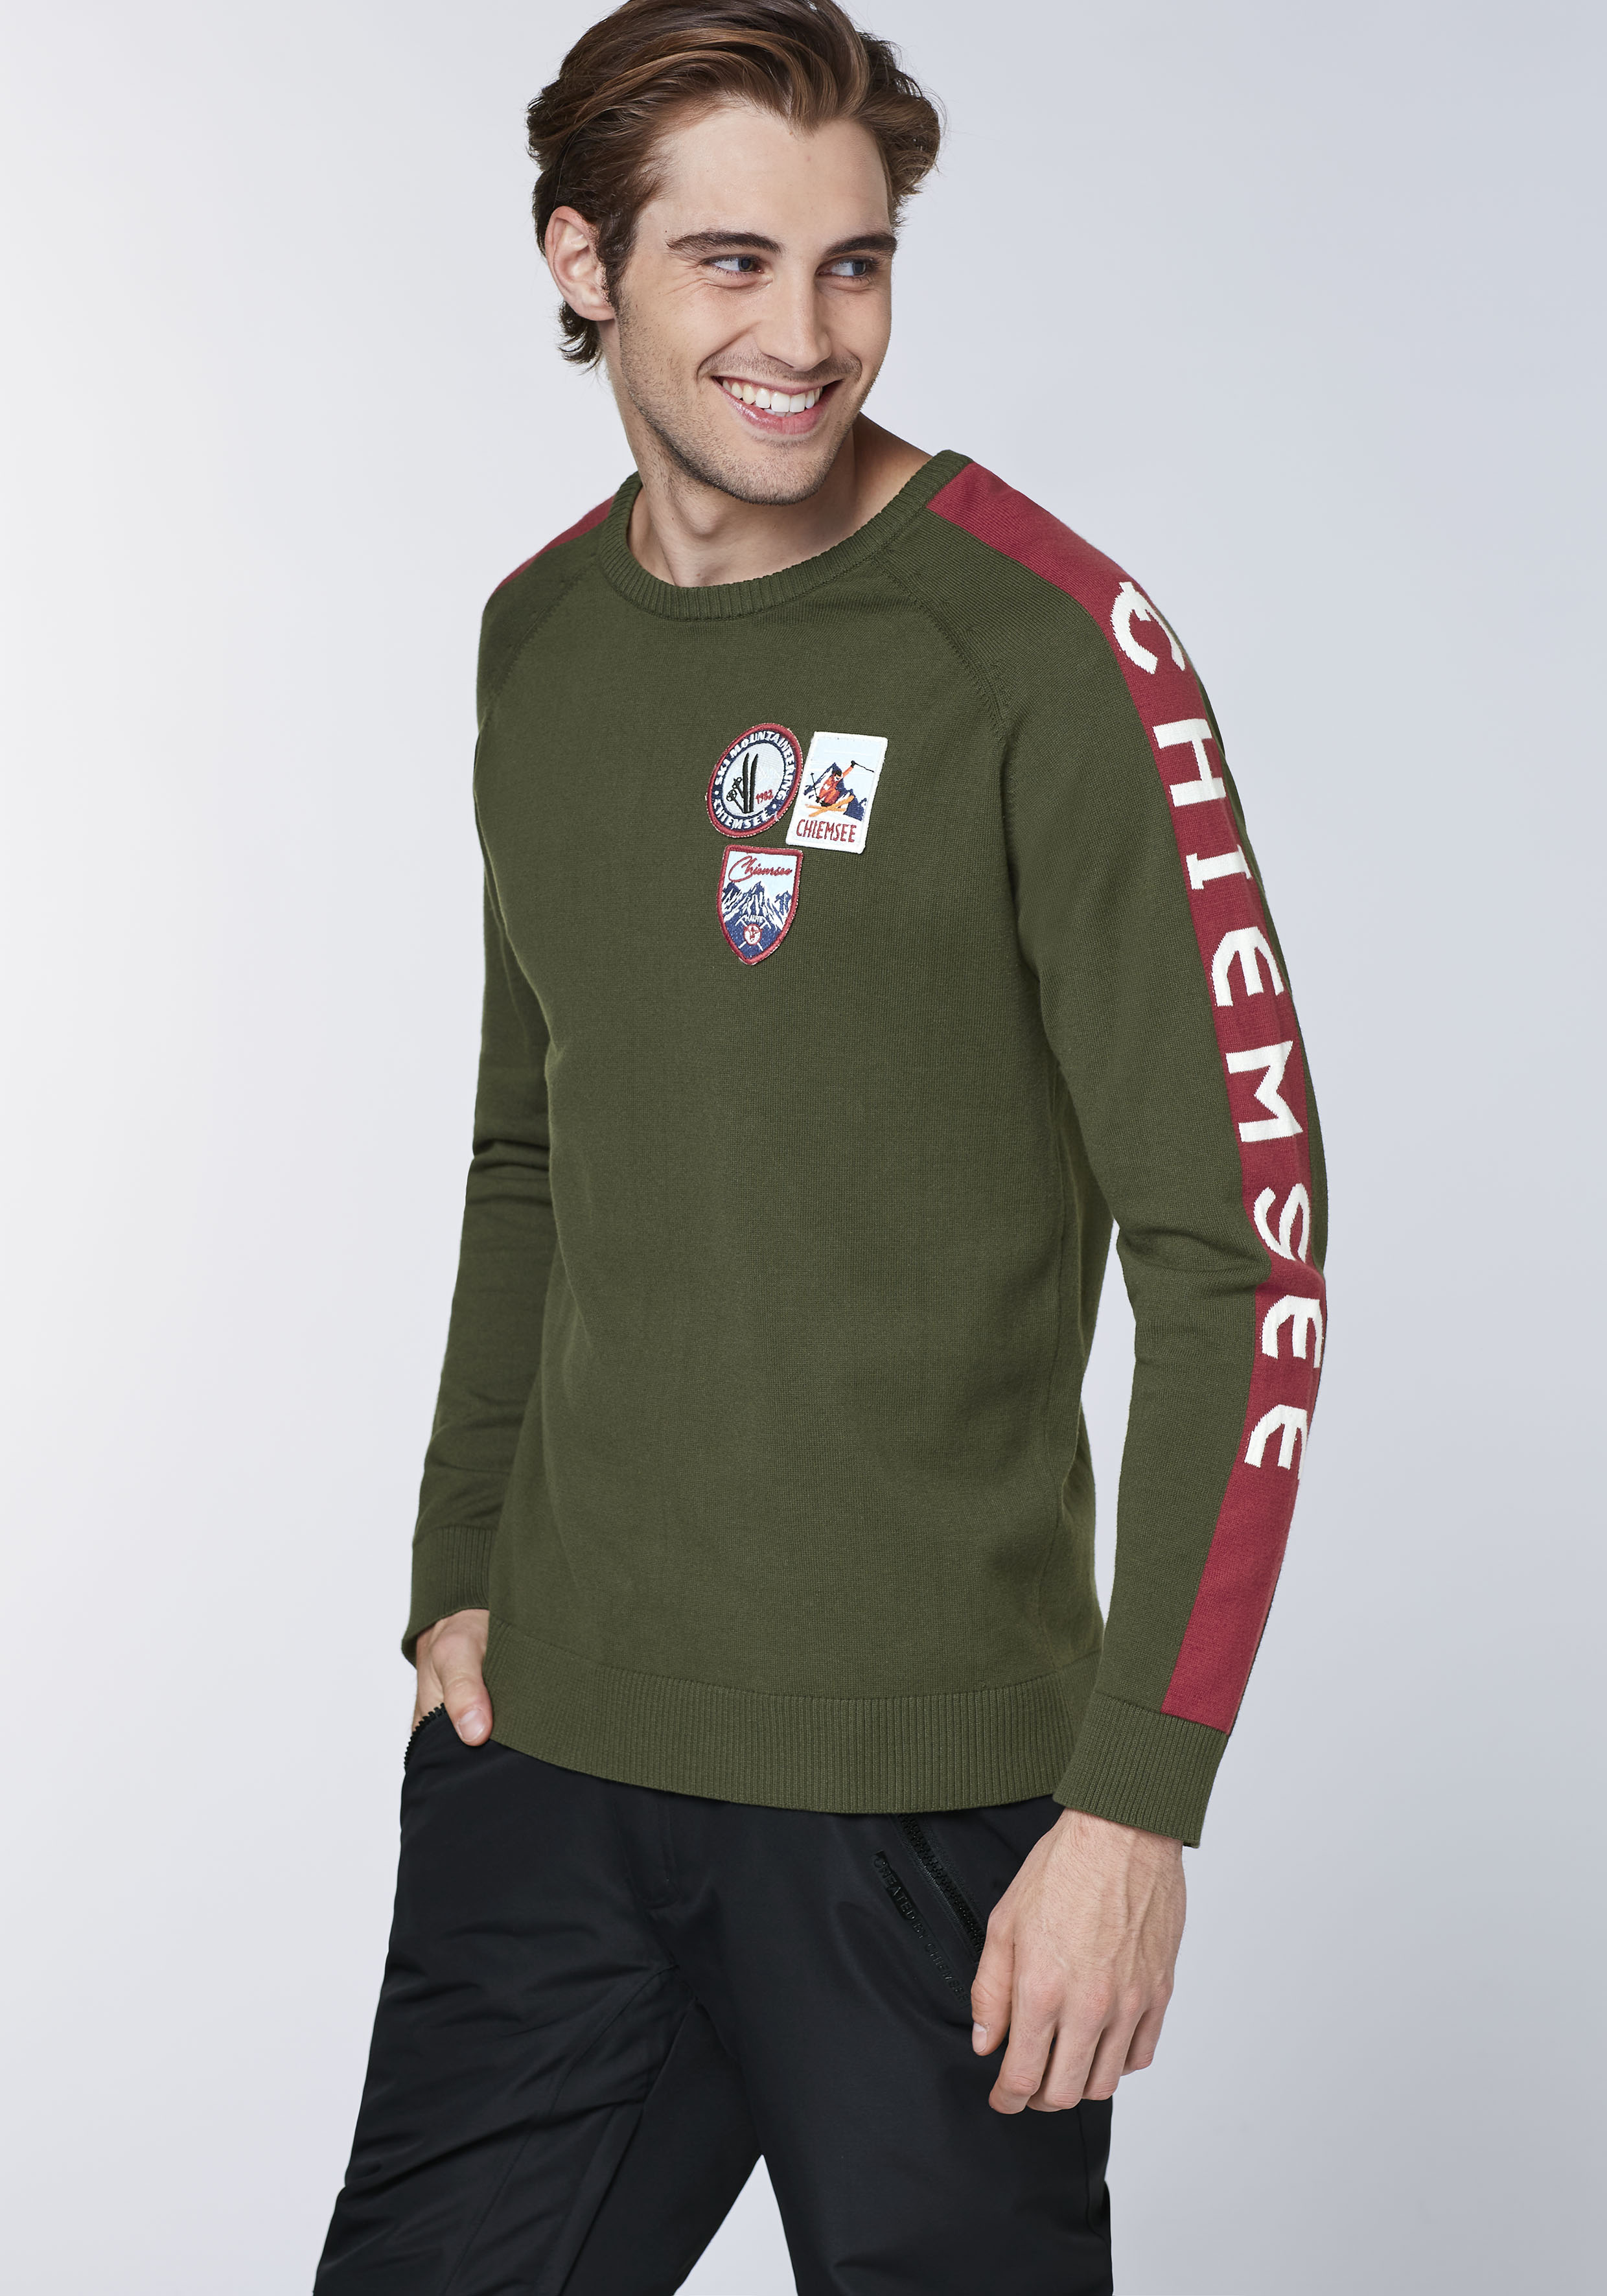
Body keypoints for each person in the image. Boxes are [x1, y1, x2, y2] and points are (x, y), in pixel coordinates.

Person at [314, 3, 1327, 2289]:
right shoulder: (540, 640)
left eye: (855, 264)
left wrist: (1136, 1803)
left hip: (930, 1813)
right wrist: (459, 1564)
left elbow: (1240, 1247)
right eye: (734, 262)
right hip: (555, 1766)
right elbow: (529, 1144)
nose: (807, 335)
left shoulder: (1046, 646)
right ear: (582, 262)